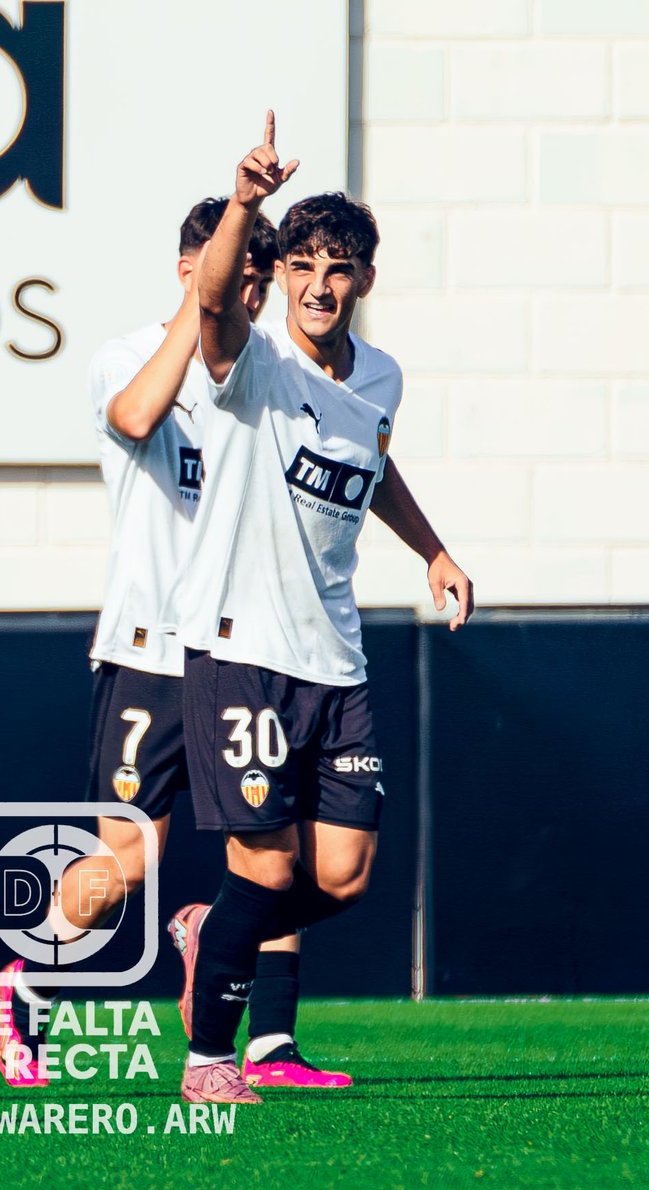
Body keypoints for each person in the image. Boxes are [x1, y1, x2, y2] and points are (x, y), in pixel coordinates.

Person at [0, 198, 349, 1090]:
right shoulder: (132, 354)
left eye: (261, 278)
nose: (252, 290)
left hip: (254, 643)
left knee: (274, 841)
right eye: (237, 272)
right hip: (152, 647)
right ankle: (25, 986)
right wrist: (200, 319)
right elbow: (133, 418)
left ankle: (268, 1041)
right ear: (191, 267)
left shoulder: (274, 373)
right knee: (130, 853)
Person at [169, 114, 474, 1104]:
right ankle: (211, 1061)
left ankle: (206, 932)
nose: (315, 284)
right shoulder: (254, 360)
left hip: (333, 658)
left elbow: (372, 467)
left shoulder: (378, 377)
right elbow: (213, 298)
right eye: (299, 263)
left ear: (364, 280)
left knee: (339, 874)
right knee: (261, 868)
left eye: (336, 267)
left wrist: (431, 550)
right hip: (243, 649)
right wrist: (244, 201)